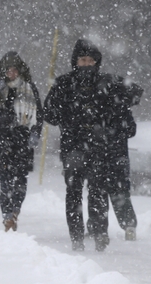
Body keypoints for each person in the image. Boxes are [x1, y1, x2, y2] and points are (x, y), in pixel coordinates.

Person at [43, 38, 142, 252]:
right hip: (73, 147)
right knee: (74, 193)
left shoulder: (107, 83)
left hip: (99, 148)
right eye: (82, 60)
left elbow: (134, 93)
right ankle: (76, 236)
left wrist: (114, 113)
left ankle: (100, 234)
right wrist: (66, 115)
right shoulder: (64, 84)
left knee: (97, 192)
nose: (86, 64)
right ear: (75, 62)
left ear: (96, 62)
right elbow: (49, 113)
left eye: (90, 60)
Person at [0, 51, 43, 232]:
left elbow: (39, 114)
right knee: (5, 180)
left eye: (14, 70)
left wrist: (35, 132)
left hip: (22, 140)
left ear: (20, 70)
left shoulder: (29, 88)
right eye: (7, 70)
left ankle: (15, 210)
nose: (11, 73)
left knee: (20, 179)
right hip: (0, 139)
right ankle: (7, 215)